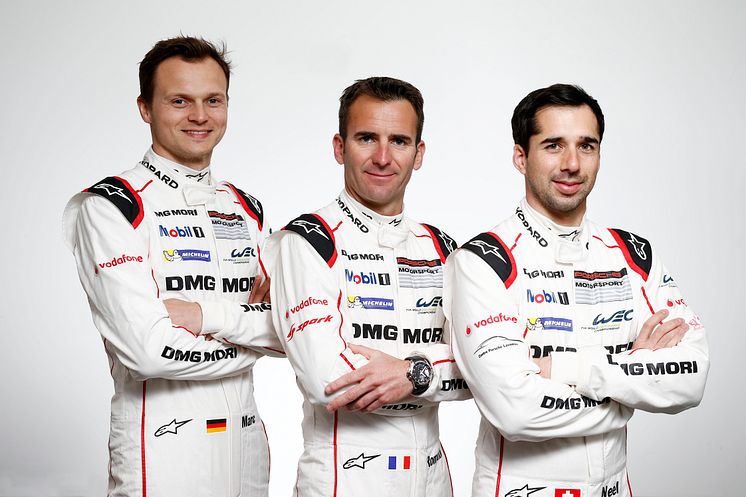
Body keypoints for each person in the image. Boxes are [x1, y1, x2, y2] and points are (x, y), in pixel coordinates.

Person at [443, 84, 709, 497]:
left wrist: (566, 371)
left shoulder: (633, 254)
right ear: (520, 156)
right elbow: (515, 411)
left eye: (587, 146)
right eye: (553, 145)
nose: (572, 163)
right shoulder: (483, 261)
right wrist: (630, 386)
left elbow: (691, 377)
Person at [63, 36, 282, 497]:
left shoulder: (246, 208)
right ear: (145, 108)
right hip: (163, 449)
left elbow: (288, 329)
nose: (199, 116)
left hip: (245, 448)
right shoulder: (112, 206)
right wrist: (252, 342)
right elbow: (146, 351)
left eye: (213, 100)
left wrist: (206, 320)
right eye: (179, 100)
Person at [258, 77, 469, 496]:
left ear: (419, 153)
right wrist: (435, 369)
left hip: (433, 477)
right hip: (345, 475)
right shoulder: (308, 240)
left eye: (400, 141)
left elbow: (487, 368)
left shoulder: (443, 247)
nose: (383, 157)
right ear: (340, 147)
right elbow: (329, 380)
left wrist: (412, 373)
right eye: (367, 138)